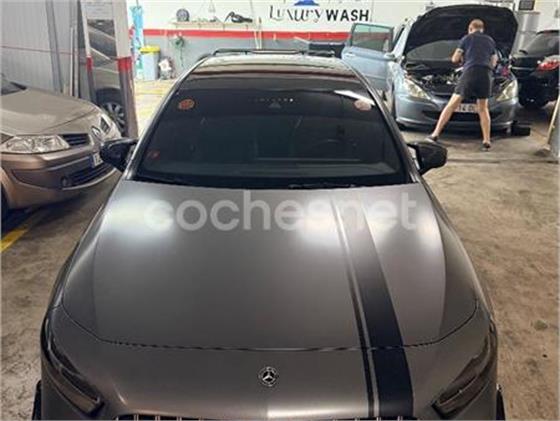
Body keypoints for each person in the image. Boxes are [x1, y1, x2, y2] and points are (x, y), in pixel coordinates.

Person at [427, 19, 498, 150]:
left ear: (470, 29)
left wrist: (461, 59)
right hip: (486, 75)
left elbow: (455, 58)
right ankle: (486, 140)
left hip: (470, 72)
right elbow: (494, 61)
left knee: (452, 104)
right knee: (483, 108)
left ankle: (435, 134)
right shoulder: (490, 40)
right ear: (482, 29)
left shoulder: (466, 38)